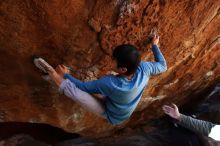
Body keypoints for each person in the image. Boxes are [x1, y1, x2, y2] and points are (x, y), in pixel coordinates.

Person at [34, 35, 167, 125]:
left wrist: (66, 75)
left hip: (112, 115)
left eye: (114, 61)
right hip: (117, 103)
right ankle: (56, 75)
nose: (111, 61)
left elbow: (82, 86)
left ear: (122, 70)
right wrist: (154, 45)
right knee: (97, 92)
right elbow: (163, 66)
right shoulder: (145, 68)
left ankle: (53, 73)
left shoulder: (110, 83)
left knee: (78, 94)